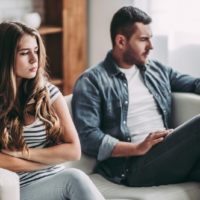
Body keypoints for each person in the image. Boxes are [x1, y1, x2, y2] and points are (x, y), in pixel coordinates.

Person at [72, 6, 200, 187]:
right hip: (132, 166)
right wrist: (138, 148)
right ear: (121, 41)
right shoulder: (92, 81)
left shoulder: (157, 69)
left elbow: (194, 84)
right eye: (143, 40)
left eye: (151, 39)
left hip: (168, 155)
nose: (151, 46)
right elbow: (88, 137)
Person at [0, 21, 105, 200]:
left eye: (36, 51)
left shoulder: (49, 93)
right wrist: (47, 161)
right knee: (75, 177)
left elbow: (73, 151)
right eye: (24, 53)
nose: (34, 59)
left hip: (56, 179)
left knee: (73, 179)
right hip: (20, 188)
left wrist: (23, 153)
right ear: (6, 57)